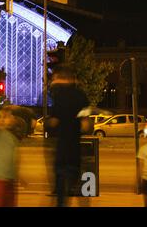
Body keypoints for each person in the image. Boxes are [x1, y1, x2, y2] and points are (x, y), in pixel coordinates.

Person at [49, 66, 89, 207]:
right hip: (74, 149)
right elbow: (86, 125)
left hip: (61, 149)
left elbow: (53, 122)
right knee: (76, 184)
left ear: (63, 78)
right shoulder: (81, 95)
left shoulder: (59, 96)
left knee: (60, 188)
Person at [0, 107, 26, 207]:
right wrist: (0, 120)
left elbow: (14, 159)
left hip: (10, 180)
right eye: (4, 117)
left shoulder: (12, 137)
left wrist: (18, 176)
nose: (9, 118)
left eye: (9, 116)